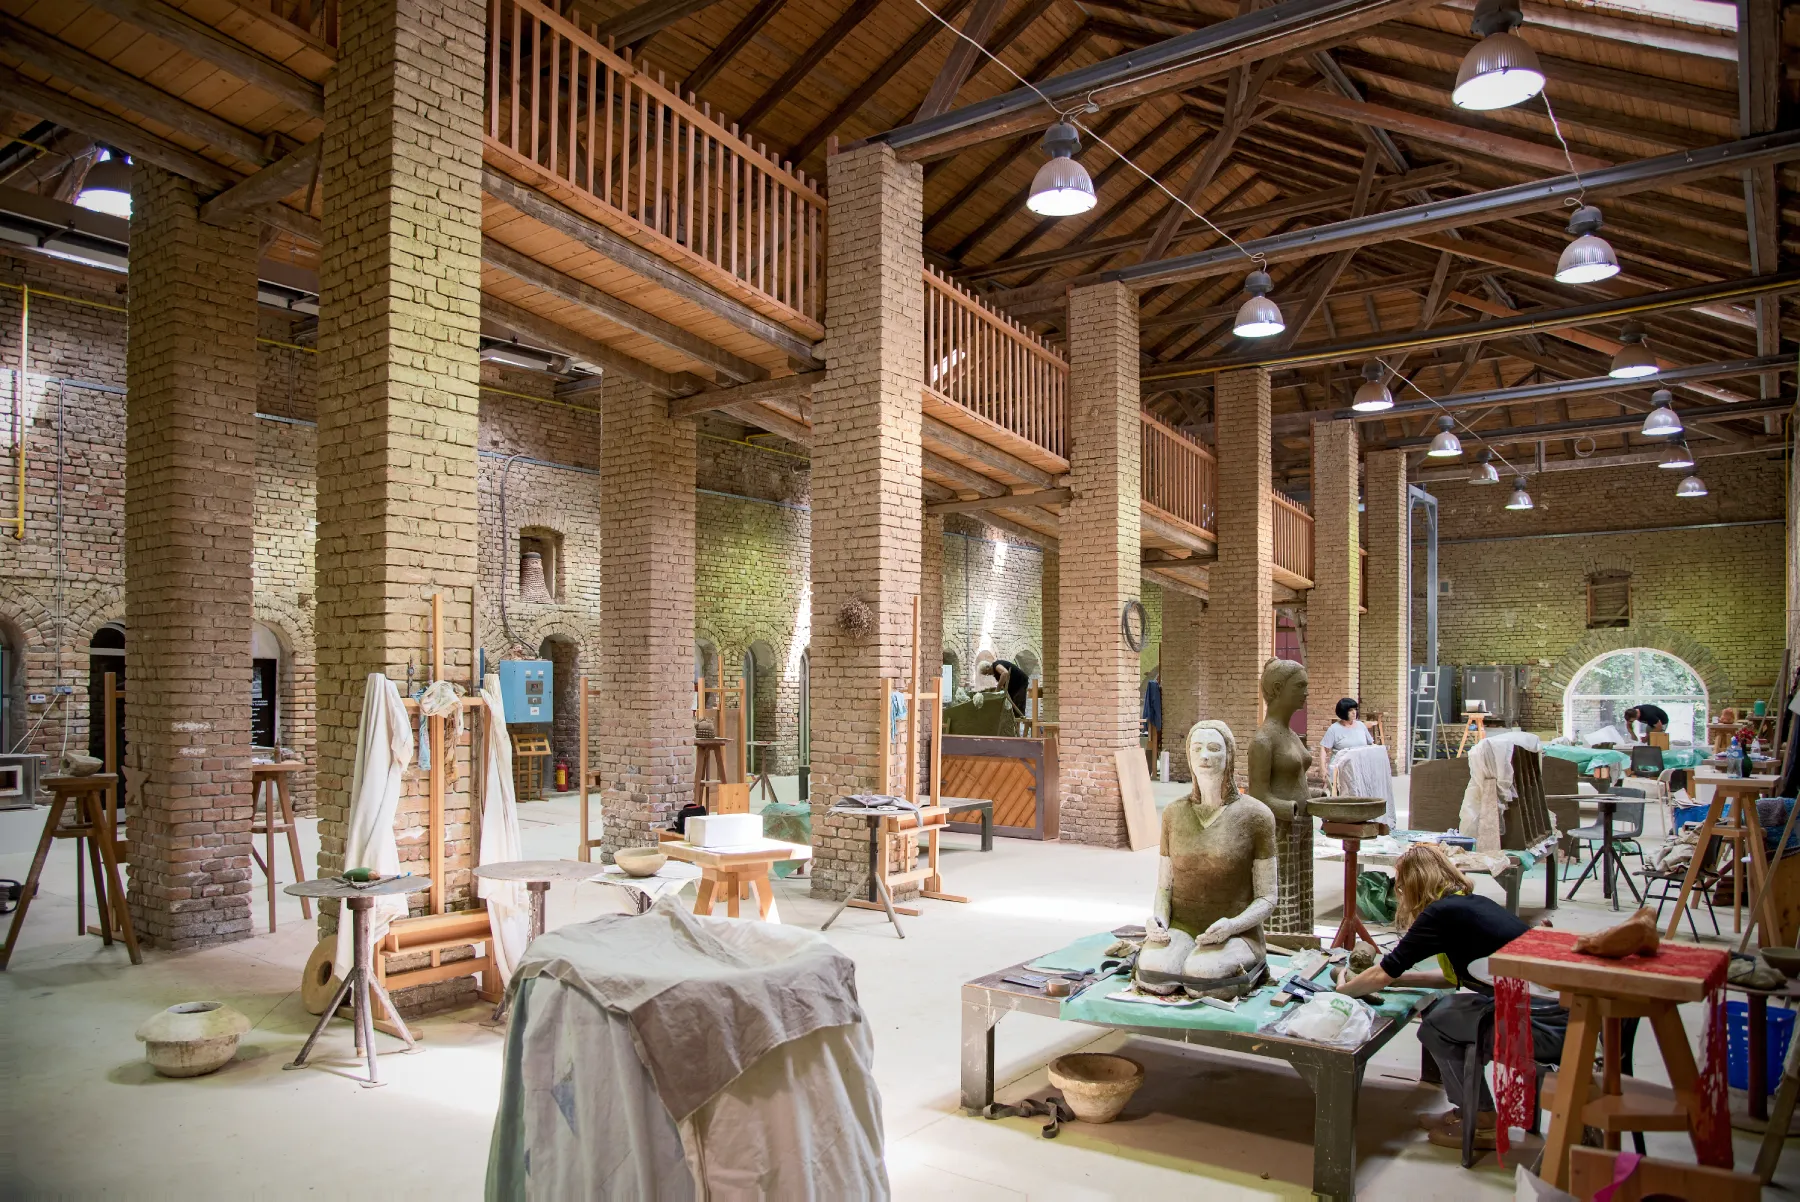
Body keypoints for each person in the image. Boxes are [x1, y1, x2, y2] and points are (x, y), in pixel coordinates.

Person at [1333, 843, 1567, 1151]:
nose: (1399, 894)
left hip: (1544, 1027)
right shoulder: (1469, 905)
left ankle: (1481, 1119)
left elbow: (1385, 971)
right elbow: (1451, 976)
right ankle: (1468, 1109)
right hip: (1555, 1014)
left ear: (1412, 885)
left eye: (1399, 886)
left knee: (1438, 1023)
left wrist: (1344, 988)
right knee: (1443, 1012)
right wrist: (1396, 980)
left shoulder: (1439, 914)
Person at [1319, 697, 1372, 775]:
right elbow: (1324, 748)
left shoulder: (1361, 726)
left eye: (1355, 709)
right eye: (1350, 710)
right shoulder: (1334, 729)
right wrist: (1322, 768)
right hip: (1341, 770)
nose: (1354, 712)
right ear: (1343, 711)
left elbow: (1371, 745)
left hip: (1360, 768)